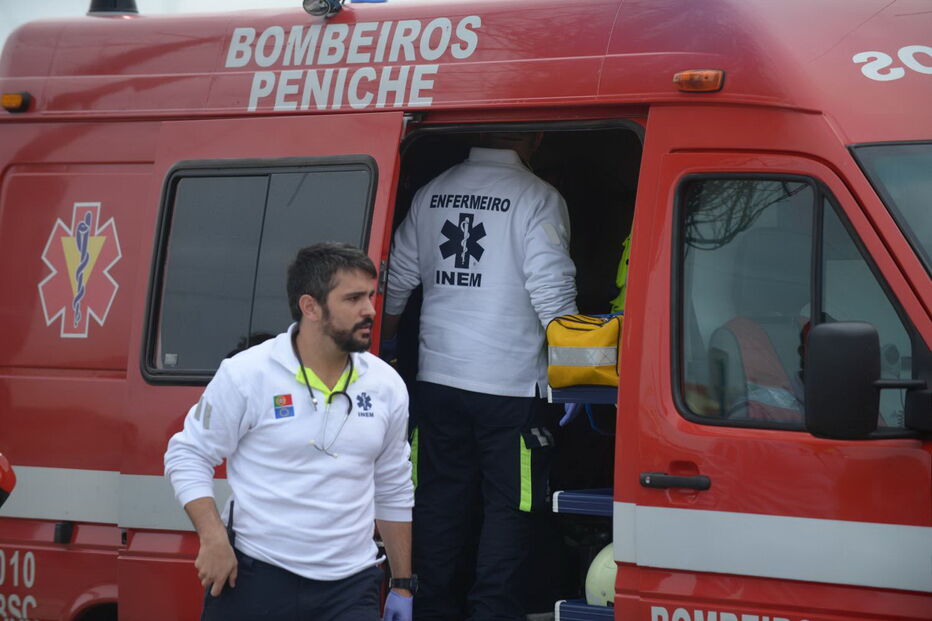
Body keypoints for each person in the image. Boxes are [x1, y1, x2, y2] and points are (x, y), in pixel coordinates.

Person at [164, 242, 415, 621]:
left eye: (370, 296)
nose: (370, 310)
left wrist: (402, 584)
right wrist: (213, 537)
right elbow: (188, 454)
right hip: (255, 578)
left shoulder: (386, 385)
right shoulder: (247, 374)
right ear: (310, 307)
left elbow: (393, 485)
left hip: (351, 588)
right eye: (353, 299)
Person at [383, 133, 578, 621]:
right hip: (511, 390)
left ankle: (429, 611)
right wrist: (577, 375)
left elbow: (394, 283)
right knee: (510, 509)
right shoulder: (538, 197)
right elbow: (552, 296)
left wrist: (381, 354)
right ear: (534, 140)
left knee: (437, 503)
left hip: (436, 383)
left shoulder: (432, 192)